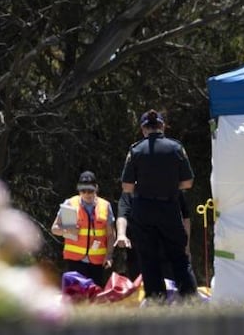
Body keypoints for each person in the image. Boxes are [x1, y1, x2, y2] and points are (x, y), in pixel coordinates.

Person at [118, 109, 198, 302]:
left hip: (144, 210)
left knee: (148, 258)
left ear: (143, 129)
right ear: (162, 126)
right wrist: (168, 185)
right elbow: (188, 182)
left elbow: (127, 186)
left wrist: (145, 186)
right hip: (169, 208)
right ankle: (189, 299)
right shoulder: (175, 148)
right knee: (179, 256)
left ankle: (156, 301)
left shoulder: (136, 150)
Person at [50, 171, 114, 288]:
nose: (87, 194)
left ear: (96, 188)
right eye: (83, 191)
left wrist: (109, 255)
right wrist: (67, 231)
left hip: (97, 261)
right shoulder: (70, 203)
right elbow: (54, 228)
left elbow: (110, 235)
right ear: (79, 190)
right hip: (75, 261)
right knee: (76, 297)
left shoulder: (105, 206)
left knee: (95, 296)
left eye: (90, 190)